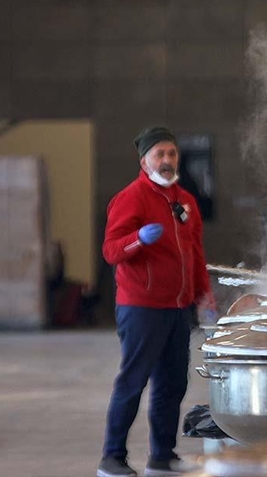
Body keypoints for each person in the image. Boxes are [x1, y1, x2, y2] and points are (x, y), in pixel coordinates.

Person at [98, 127, 216, 477]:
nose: (166, 161)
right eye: (159, 155)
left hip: (178, 309)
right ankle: (112, 458)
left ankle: (162, 457)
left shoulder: (186, 201)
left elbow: (194, 253)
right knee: (133, 382)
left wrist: (203, 293)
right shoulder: (132, 198)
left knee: (172, 384)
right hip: (142, 307)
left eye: (172, 154)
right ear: (144, 161)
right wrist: (137, 239)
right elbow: (111, 250)